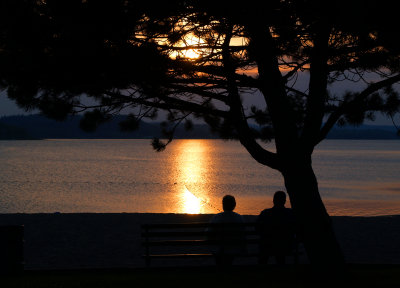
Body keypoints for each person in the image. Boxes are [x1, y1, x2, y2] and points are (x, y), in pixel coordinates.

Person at [257, 191, 296, 265]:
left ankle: (262, 269)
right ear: (284, 201)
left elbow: (258, 229)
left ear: (273, 200)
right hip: (286, 246)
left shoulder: (265, 213)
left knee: (265, 249)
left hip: (267, 246)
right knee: (279, 249)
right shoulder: (290, 213)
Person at [207, 195, 245, 268]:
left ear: (223, 205)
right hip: (234, 248)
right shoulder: (239, 218)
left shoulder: (216, 217)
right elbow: (242, 234)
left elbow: (209, 232)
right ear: (234, 205)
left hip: (218, 249)